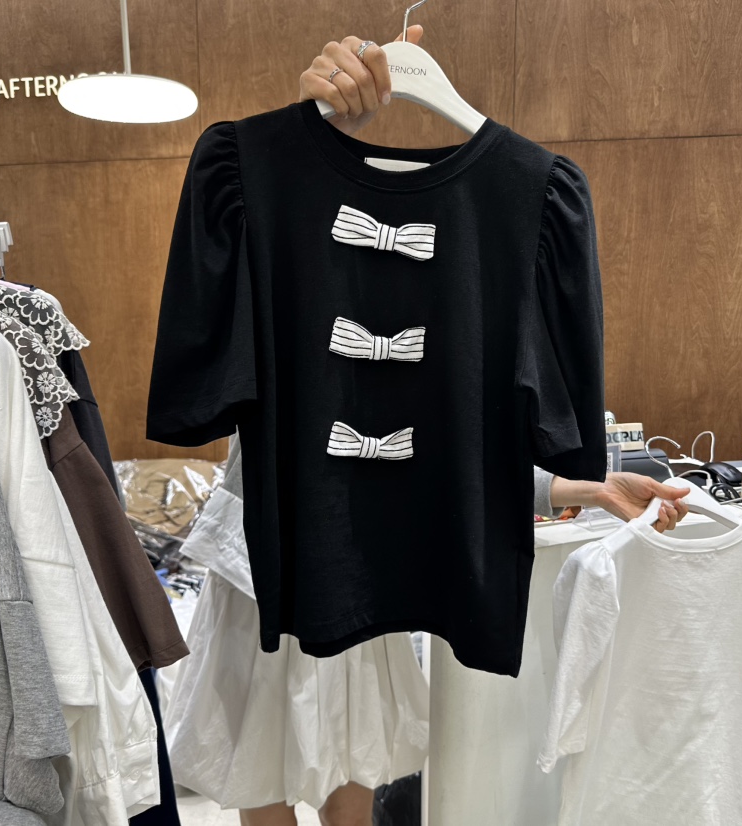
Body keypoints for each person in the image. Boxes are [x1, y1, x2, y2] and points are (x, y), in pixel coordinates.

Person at [178, 30, 690, 826]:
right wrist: (313, 130)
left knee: (353, 778)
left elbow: (464, 443)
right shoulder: (262, 190)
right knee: (264, 782)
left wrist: (584, 487)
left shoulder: (516, 211)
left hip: (371, 567)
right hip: (269, 562)